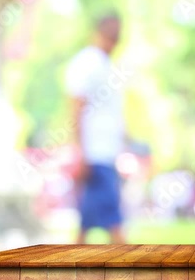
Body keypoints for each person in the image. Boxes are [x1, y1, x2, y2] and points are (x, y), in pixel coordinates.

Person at [65, 14, 127, 244]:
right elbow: (75, 108)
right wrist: (79, 151)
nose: (114, 42)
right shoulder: (87, 63)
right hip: (94, 155)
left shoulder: (105, 64)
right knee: (114, 221)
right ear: (98, 33)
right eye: (111, 36)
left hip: (105, 153)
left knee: (86, 223)